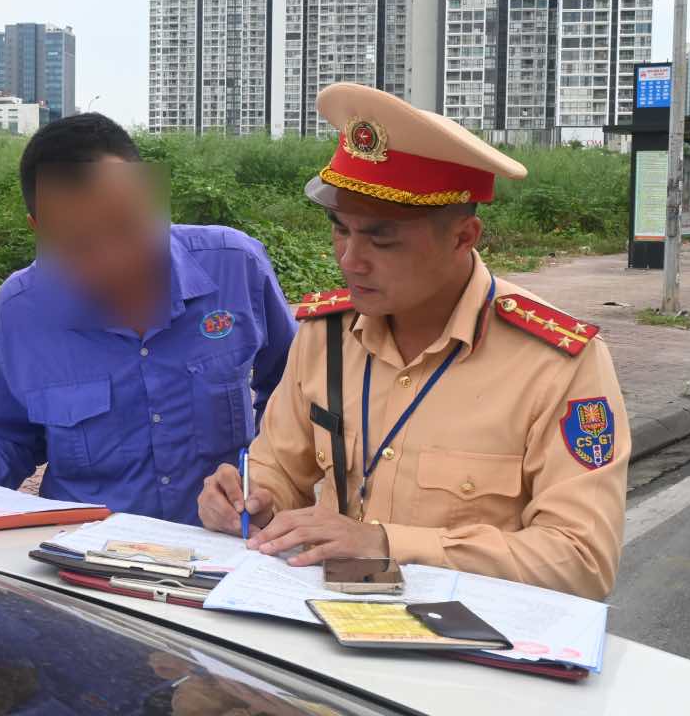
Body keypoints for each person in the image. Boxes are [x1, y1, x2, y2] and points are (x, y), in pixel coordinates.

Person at [197, 83, 630, 599]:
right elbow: (278, 467)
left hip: (470, 651)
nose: (349, 259)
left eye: (381, 240)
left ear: (463, 237)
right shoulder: (325, 335)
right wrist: (252, 498)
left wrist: (386, 542)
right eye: (340, 230)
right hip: (330, 634)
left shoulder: (556, 364)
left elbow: (581, 561)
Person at [0, 113, 296, 525]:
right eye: (80, 243)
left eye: (125, 227)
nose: (112, 261)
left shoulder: (233, 266)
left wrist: (265, 477)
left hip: (223, 554)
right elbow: (12, 437)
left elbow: (296, 394)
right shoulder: (22, 310)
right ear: (39, 229)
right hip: (85, 563)